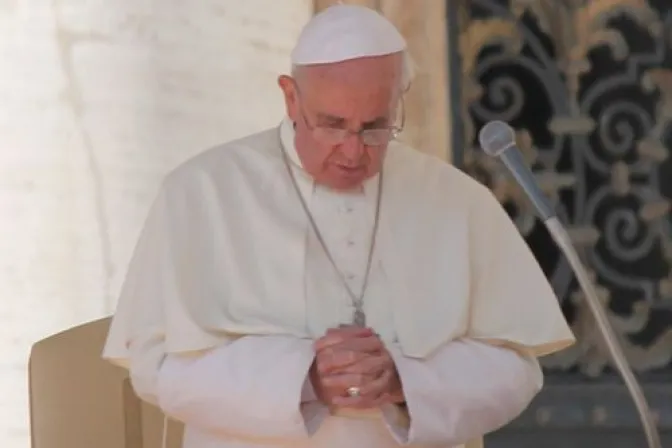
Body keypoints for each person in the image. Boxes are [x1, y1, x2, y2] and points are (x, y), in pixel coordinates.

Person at [103, 4, 575, 448]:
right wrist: (303, 380)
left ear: (399, 102)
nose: (353, 152)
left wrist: (402, 381)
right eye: (331, 124)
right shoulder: (201, 192)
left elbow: (516, 368)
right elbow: (154, 366)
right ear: (290, 98)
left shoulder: (457, 200)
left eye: (375, 127)